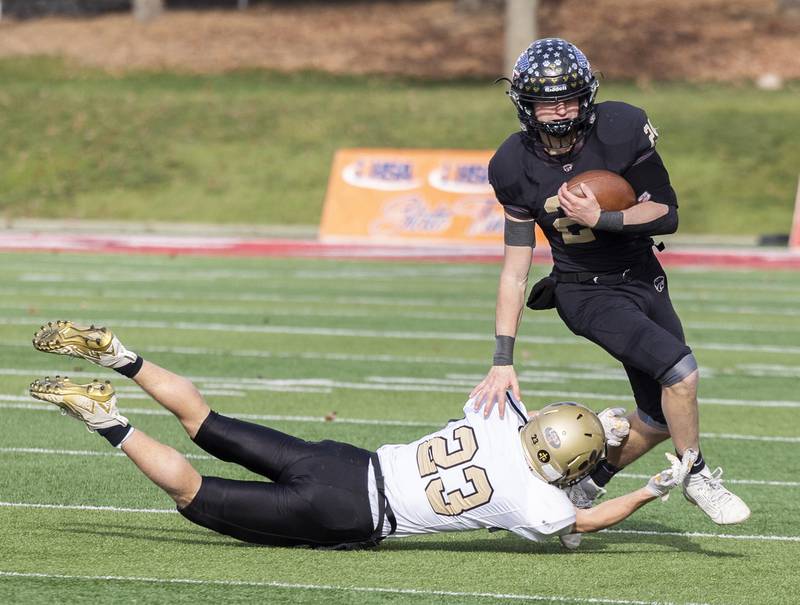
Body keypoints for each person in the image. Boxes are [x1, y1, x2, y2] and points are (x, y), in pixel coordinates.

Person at [30, 320, 692, 549]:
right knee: (196, 495)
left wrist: (597, 418)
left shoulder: (495, 414)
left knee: (206, 421)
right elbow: (586, 519)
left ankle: (122, 355)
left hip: (345, 462)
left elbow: (549, 419)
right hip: (350, 512)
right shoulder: (538, 501)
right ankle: (106, 418)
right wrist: (650, 490)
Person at [470, 38, 749, 547]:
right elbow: (514, 270)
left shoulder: (619, 129)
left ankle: (580, 487)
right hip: (583, 290)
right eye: (546, 100)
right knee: (681, 372)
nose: (559, 110)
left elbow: (666, 212)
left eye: (569, 98)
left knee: (662, 416)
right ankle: (699, 474)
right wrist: (502, 357)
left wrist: (605, 218)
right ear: (524, 104)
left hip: (642, 275)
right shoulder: (512, 163)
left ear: (589, 96)